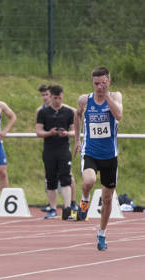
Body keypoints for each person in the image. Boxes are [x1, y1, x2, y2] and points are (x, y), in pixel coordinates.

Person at [73, 67, 122, 251]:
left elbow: (118, 115)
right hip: (90, 151)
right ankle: (84, 200)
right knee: (89, 180)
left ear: (108, 81)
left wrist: (107, 94)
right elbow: (77, 115)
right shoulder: (85, 100)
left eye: (102, 83)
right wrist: (77, 140)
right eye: (96, 84)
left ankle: (101, 232)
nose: (99, 87)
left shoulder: (115, 97)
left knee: (107, 198)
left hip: (109, 155)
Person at [36, 84, 78, 212]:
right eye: (55, 98)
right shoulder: (43, 112)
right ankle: (53, 207)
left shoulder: (68, 112)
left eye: (59, 98)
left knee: (66, 177)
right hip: (49, 149)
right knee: (51, 178)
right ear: (51, 97)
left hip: (63, 149)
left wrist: (66, 133)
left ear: (62, 96)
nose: (57, 101)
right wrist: (50, 133)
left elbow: (74, 131)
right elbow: (38, 132)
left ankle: (67, 207)